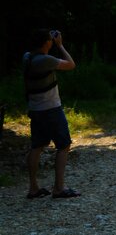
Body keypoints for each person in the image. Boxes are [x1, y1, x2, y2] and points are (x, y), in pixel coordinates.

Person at [23, 28, 78, 200]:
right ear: (47, 43)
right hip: (51, 109)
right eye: (50, 39)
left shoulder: (27, 57)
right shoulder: (45, 60)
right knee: (63, 145)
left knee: (37, 146)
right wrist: (60, 46)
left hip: (35, 109)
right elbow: (71, 64)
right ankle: (59, 188)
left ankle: (33, 188)